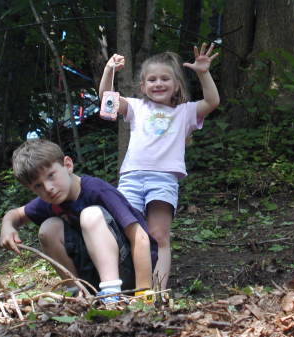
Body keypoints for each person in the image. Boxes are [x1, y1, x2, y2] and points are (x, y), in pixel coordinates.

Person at [99, 43, 220, 289]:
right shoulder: (136, 106)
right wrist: (109, 70)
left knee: (158, 234)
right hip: (131, 178)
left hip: (163, 179)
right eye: (151, 80)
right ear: (143, 86)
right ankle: (131, 284)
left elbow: (212, 101)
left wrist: (203, 72)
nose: (158, 83)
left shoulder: (185, 112)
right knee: (128, 232)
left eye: (165, 78)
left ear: (176, 85)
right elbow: (107, 101)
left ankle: (159, 291)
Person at [0, 139, 158, 303]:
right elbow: (16, 214)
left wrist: (144, 294)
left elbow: (140, 238)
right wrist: (7, 226)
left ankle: (112, 296)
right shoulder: (50, 201)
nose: (48, 188)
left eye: (51, 176)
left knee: (90, 215)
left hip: (132, 273)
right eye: (38, 186)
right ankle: (79, 295)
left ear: (67, 165)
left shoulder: (96, 190)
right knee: (49, 229)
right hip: (94, 278)